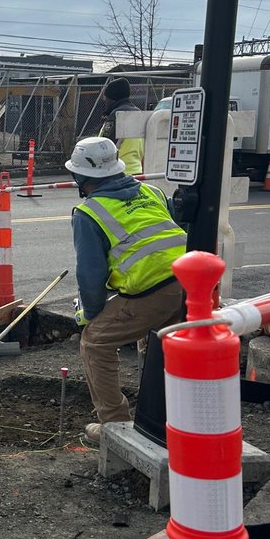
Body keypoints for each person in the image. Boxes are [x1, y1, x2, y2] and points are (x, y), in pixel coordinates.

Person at [65, 136, 187, 445]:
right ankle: (163, 417)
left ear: (81, 177)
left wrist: (90, 315)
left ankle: (115, 426)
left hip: (151, 289)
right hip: (190, 282)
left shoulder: (89, 213)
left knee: (95, 342)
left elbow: (91, 275)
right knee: (160, 343)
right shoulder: (152, 191)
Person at [98, 77, 144, 176]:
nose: (105, 101)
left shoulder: (117, 115)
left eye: (106, 98)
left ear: (113, 98)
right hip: (137, 170)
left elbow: (106, 146)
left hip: (118, 172)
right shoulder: (139, 113)